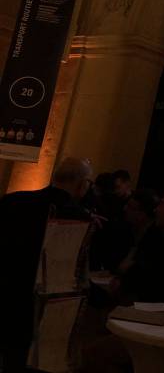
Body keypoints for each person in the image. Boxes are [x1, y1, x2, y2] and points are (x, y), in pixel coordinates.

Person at [0, 157, 93, 372]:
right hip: (41, 305)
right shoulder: (77, 217)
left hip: (5, 291)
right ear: (82, 184)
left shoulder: (13, 200)